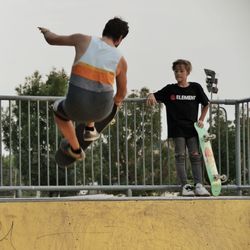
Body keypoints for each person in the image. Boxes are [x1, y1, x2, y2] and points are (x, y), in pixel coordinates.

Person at [38, 17, 129, 160]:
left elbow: (52, 39)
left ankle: (75, 149)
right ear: (120, 39)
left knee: (58, 108)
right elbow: (122, 93)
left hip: (75, 107)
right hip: (102, 111)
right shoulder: (121, 61)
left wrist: (46, 32)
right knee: (100, 90)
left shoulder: (82, 40)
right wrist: (114, 106)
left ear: (104, 31)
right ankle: (90, 128)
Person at [146, 59, 210, 196]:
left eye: (181, 71)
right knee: (180, 156)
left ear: (188, 72)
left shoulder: (196, 88)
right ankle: (185, 186)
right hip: (177, 129)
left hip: (192, 129)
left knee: (195, 156)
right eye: (176, 71)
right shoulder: (170, 89)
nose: (178, 73)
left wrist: (201, 120)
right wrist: (150, 94)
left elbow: (206, 104)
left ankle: (199, 185)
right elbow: (155, 95)